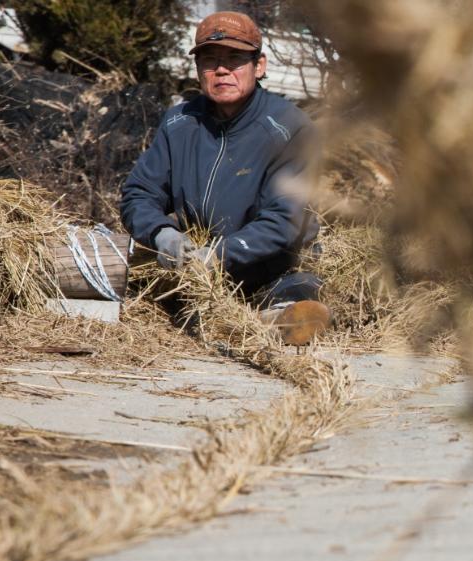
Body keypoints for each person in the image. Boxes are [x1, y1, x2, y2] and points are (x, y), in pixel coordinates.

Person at [121, 10, 328, 345]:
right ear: (198, 68)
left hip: (271, 269)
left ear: (259, 66)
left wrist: (220, 254)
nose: (221, 69)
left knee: (298, 294)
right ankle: (225, 319)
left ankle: (271, 319)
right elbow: (138, 193)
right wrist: (161, 234)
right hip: (194, 271)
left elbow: (284, 221)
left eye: (235, 59)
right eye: (210, 59)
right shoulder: (179, 122)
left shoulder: (291, 128)